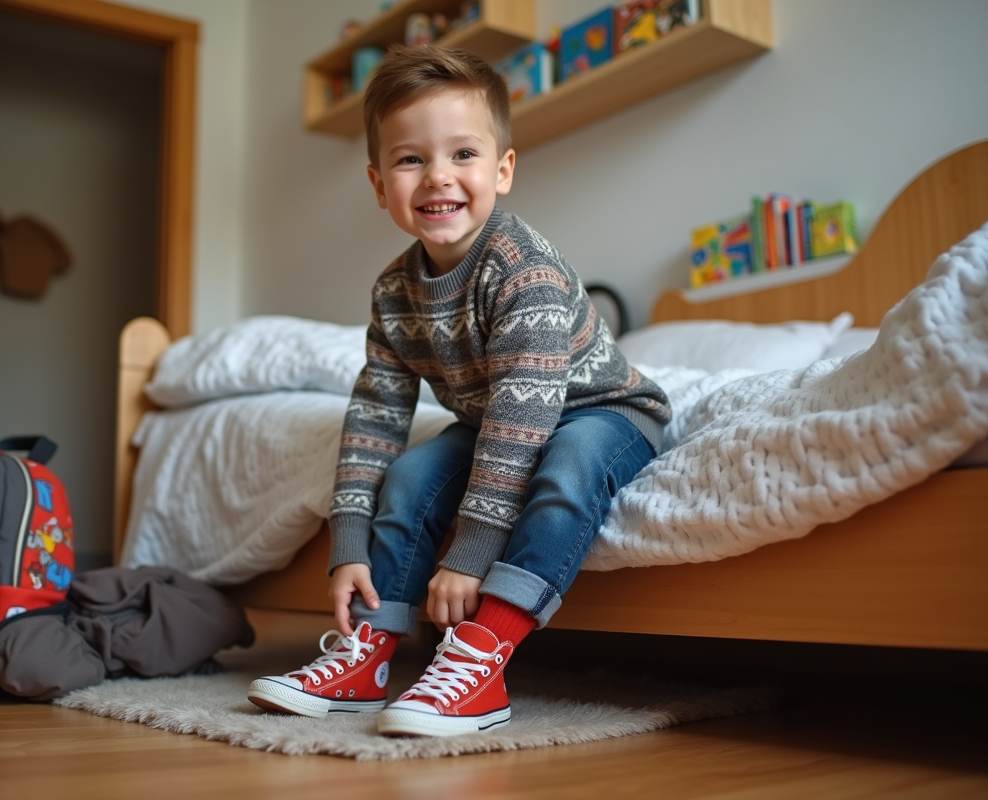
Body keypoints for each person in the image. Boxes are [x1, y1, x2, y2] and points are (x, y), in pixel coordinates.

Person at [247, 45, 671, 737]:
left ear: (502, 170)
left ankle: (483, 652)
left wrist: (469, 554)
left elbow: (520, 427)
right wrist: (348, 545)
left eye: (463, 155)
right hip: (494, 417)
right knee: (413, 472)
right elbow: (376, 415)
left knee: (568, 468)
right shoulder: (393, 291)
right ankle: (367, 655)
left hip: (600, 410)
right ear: (379, 183)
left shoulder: (521, 271)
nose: (438, 176)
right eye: (411, 159)